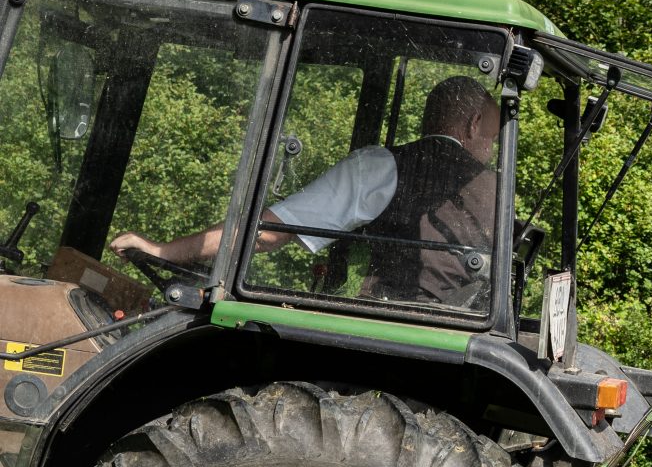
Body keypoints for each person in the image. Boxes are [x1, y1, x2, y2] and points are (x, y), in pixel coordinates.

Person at [111, 75, 500, 306]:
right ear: (473, 124)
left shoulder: (384, 167)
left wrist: (165, 252)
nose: (491, 148)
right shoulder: (498, 192)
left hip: (387, 334)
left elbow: (267, 233)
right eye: (493, 137)